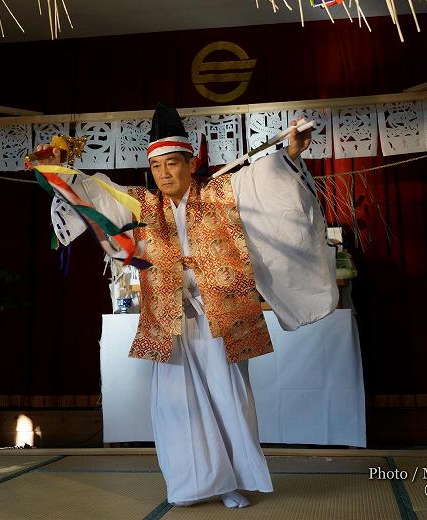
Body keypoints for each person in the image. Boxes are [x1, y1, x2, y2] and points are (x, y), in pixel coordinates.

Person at [34, 102, 337, 508]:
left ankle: (232, 482)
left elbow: (266, 178)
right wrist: (58, 173)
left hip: (219, 314)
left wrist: (292, 152)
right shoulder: (142, 204)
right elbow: (98, 197)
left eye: (172, 164)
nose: (164, 174)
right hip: (169, 320)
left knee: (228, 398)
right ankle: (192, 484)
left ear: (189, 163)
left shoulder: (222, 192)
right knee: (176, 406)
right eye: (157, 167)